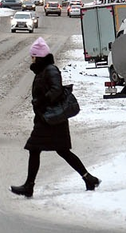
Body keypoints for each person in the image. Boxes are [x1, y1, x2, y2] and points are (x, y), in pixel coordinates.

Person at [10, 37, 100, 198]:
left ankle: (29, 186)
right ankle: (88, 178)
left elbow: (56, 89)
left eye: (33, 56)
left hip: (51, 119)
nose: (31, 59)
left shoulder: (50, 70)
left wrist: (41, 101)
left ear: (38, 57)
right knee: (58, 151)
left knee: (37, 149)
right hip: (47, 118)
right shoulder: (44, 70)